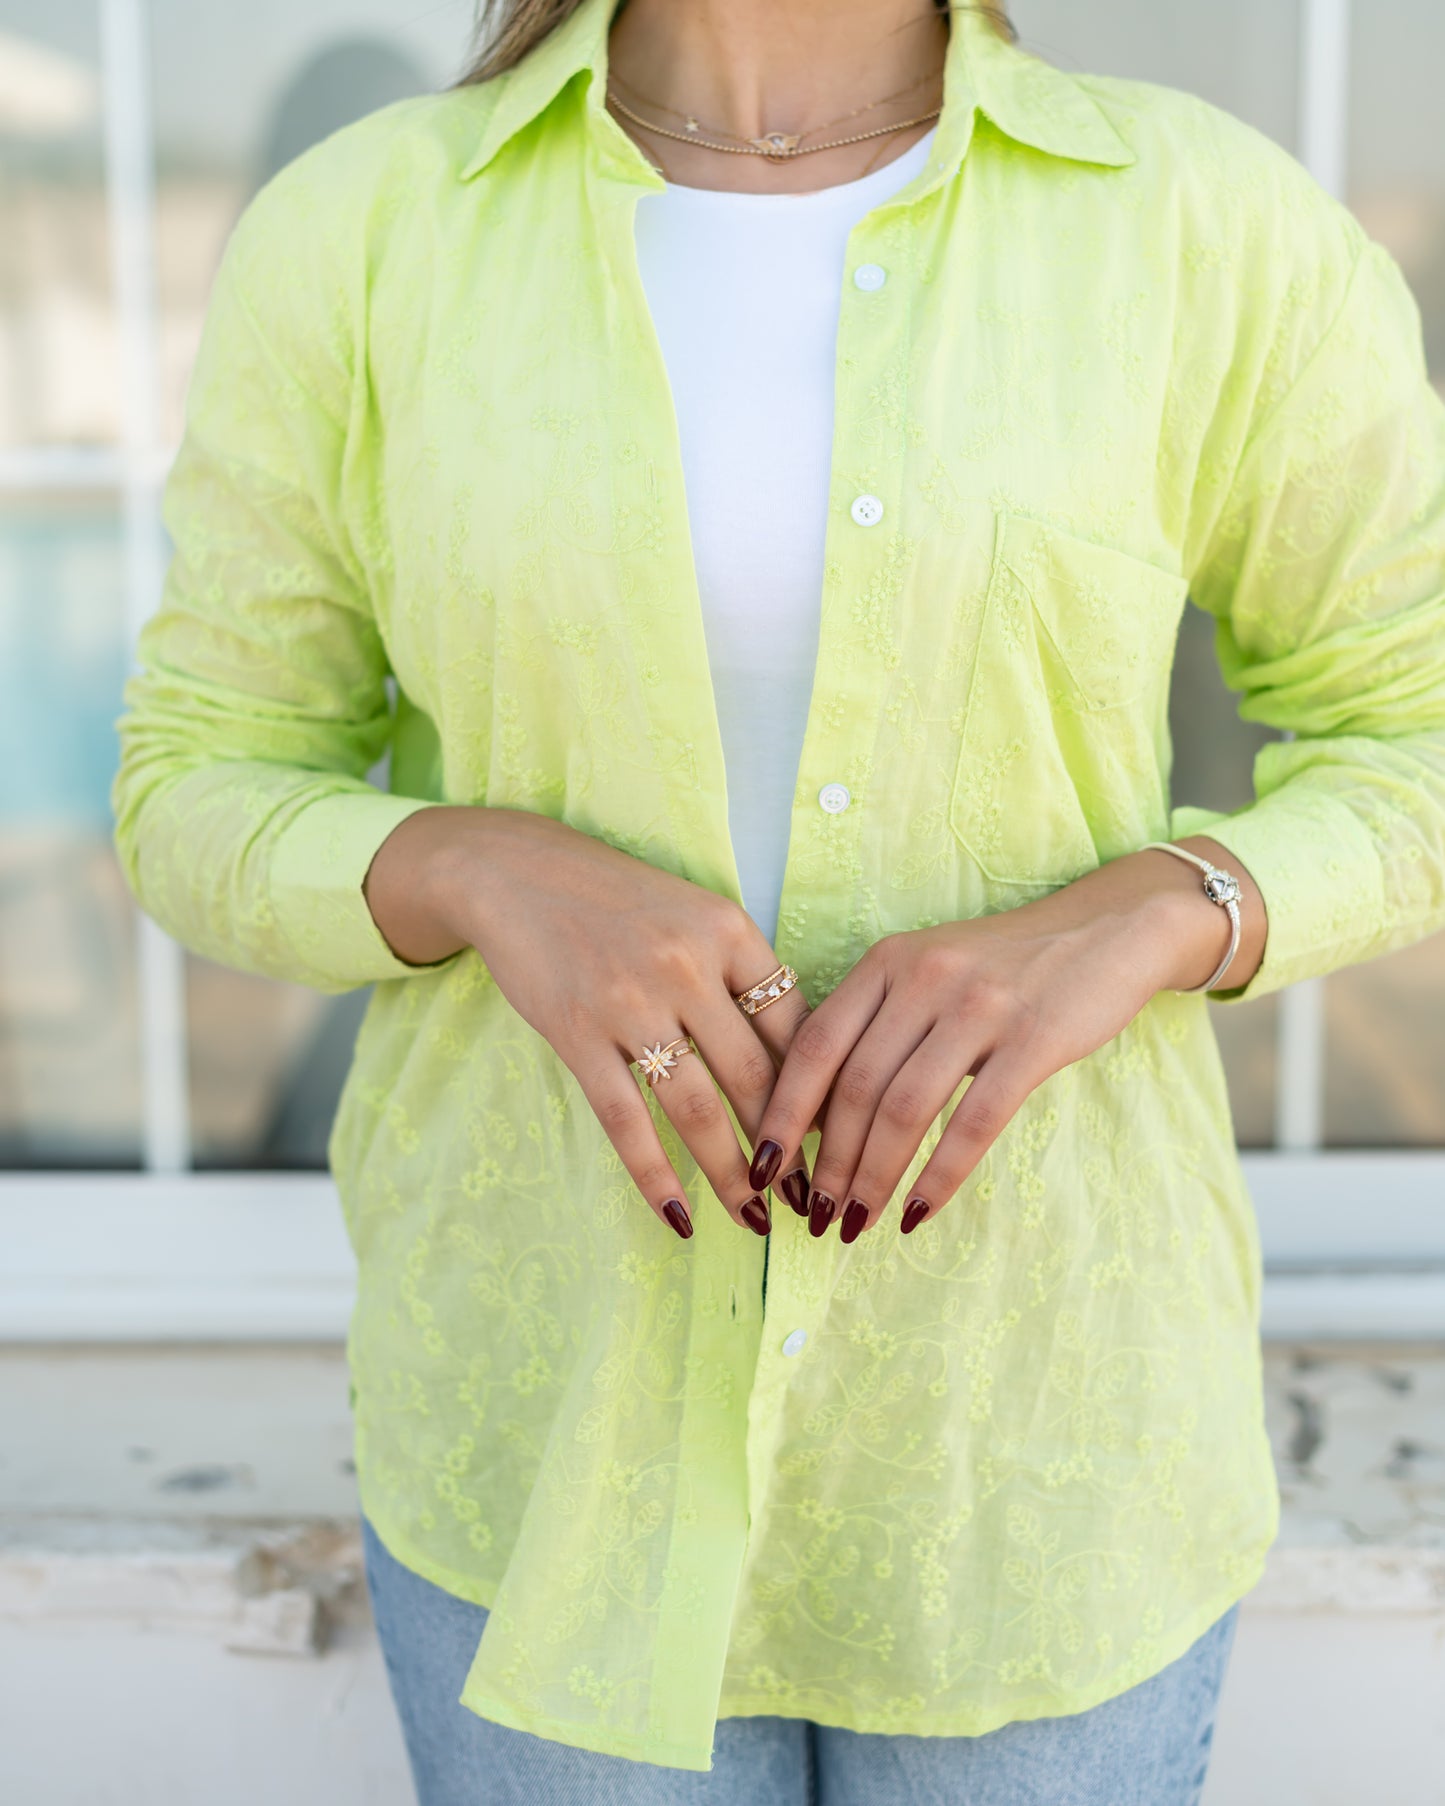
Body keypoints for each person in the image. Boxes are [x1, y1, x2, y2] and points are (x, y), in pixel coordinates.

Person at [111, 0, 1445, 1799]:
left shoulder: (1203, 219)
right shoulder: (369, 232)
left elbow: (1414, 730)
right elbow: (192, 772)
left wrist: (1157, 904)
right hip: (544, 1422)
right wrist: (463, 861)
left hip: (1034, 1447)